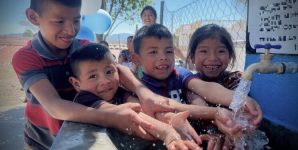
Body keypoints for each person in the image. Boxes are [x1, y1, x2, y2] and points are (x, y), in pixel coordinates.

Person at [12, 0, 174, 149]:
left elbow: (117, 68)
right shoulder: (26, 57)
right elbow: (54, 105)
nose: (71, 30)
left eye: (76, 20)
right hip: (41, 141)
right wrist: (111, 117)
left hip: (77, 132)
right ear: (33, 17)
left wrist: (143, 92)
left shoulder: (82, 47)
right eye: (59, 21)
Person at [132, 24, 263, 148]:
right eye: (153, 52)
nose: (163, 57)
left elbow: (206, 88)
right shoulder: (138, 88)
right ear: (137, 60)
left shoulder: (180, 75)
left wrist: (238, 99)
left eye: (168, 51)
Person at [68, 43, 201, 150]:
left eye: (109, 72)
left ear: (117, 70)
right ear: (76, 84)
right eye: (93, 76)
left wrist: (171, 119)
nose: (105, 81)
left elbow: (141, 107)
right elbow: (133, 115)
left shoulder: (117, 91)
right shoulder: (84, 98)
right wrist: (168, 133)